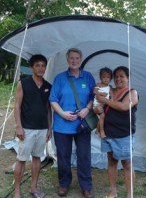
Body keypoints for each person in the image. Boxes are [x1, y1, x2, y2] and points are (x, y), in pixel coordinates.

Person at [49, 48, 96, 198]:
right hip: (62, 125)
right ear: (67, 60)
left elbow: (93, 97)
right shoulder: (60, 78)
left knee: (84, 156)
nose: (74, 61)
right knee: (63, 156)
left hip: (82, 124)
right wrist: (62, 113)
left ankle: (86, 187)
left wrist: (87, 109)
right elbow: (53, 99)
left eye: (77, 58)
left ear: (80, 59)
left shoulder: (88, 77)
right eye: (71, 58)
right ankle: (64, 184)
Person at [94, 66, 138, 198]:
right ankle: (113, 191)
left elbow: (124, 106)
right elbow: (98, 102)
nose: (118, 79)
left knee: (127, 164)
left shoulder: (132, 93)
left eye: (122, 76)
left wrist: (105, 100)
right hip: (108, 133)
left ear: (128, 78)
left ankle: (130, 194)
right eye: (116, 76)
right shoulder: (110, 91)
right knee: (112, 162)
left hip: (124, 134)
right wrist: (97, 109)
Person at [13, 54, 52, 198]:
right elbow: (17, 105)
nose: (40, 68)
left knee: (37, 158)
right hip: (27, 128)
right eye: (37, 65)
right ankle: (17, 190)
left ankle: (33, 187)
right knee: (21, 159)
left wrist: (49, 128)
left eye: (43, 66)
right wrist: (18, 126)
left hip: (42, 128)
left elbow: (48, 109)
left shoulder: (48, 86)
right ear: (32, 67)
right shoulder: (23, 83)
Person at [93, 67, 113, 139]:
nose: (106, 79)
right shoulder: (99, 84)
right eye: (104, 77)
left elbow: (112, 96)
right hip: (97, 104)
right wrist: (101, 94)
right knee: (102, 116)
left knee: (103, 117)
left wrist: (111, 100)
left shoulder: (110, 87)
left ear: (111, 79)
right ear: (100, 77)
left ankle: (97, 130)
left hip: (105, 104)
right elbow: (94, 91)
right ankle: (101, 131)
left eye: (108, 77)